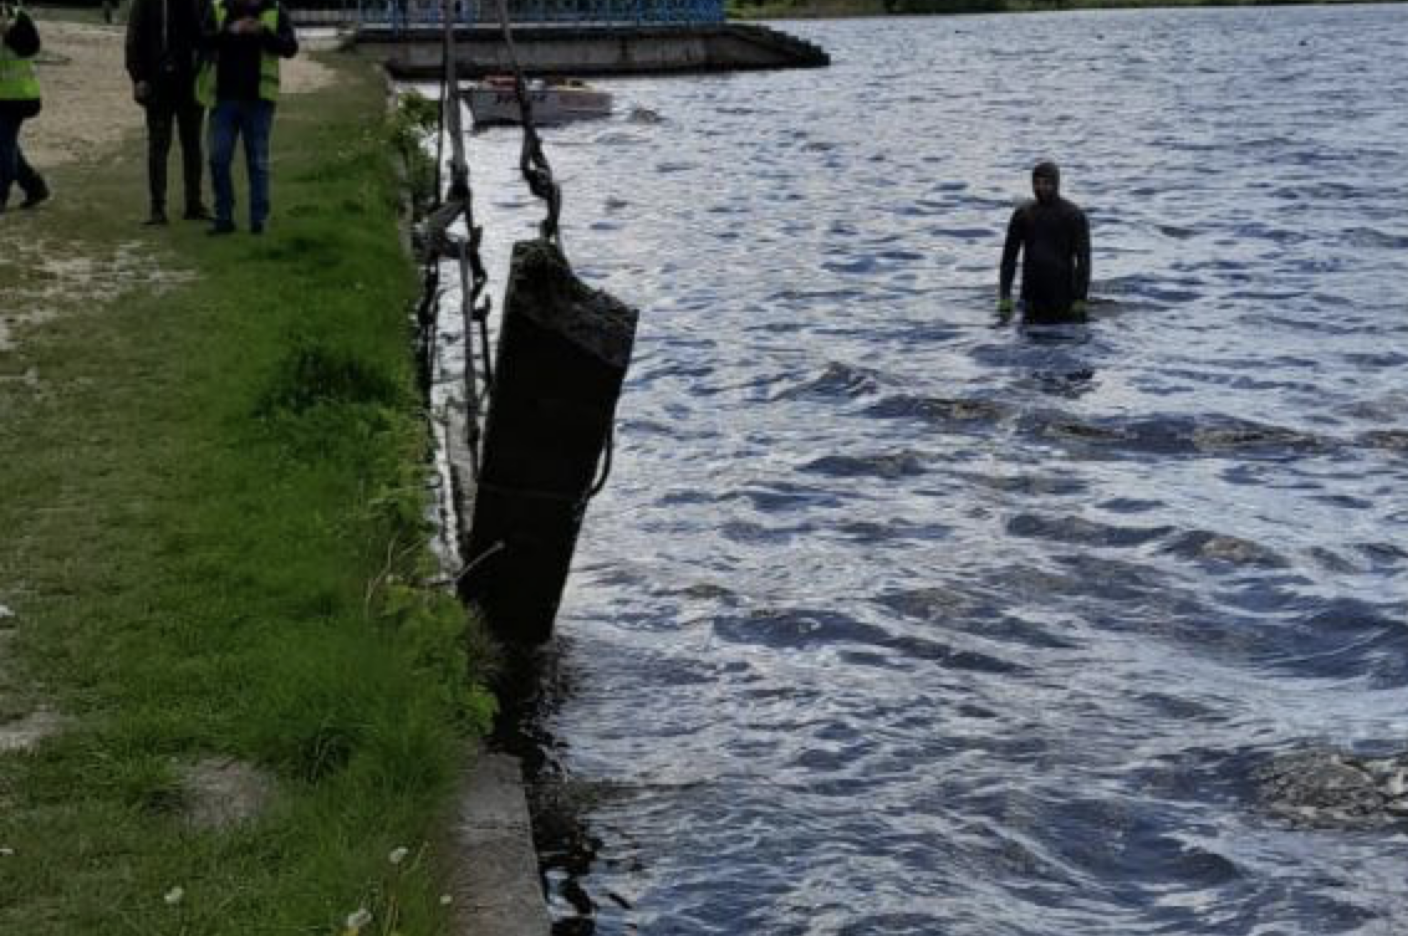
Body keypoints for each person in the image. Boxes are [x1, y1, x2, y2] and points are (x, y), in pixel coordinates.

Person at [197, 0, 296, 235]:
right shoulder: (218, 8)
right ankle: (224, 218)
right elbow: (201, 41)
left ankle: (259, 221)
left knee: (258, 162)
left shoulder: (275, 10)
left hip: (259, 100)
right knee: (218, 159)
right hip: (223, 99)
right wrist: (229, 31)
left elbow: (290, 48)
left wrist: (263, 32)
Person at [126, 0, 209, 225]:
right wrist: (138, 77)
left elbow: (205, 38)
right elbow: (134, 39)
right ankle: (157, 208)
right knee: (159, 146)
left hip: (190, 84)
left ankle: (194, 203)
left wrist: (203, 72)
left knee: (192, 145)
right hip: (158, 83)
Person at [998, 161, 1090, 323]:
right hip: (1030, 298)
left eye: (1046, 183)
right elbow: (1009, 258)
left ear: (1056, 184)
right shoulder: (1023, 214)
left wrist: (1080, 299)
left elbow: (1083, 261)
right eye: (1037, 183)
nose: (1040, 188)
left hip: (1063, 299)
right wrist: (1005, 296)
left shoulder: (1074, 215)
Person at [0, 1, 49, 214]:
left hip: (17, 97)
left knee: (3, 145)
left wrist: (8, 33)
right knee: (6, 144)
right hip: (8, 96)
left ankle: (1, 194)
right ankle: (34, 186)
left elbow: (32, 48)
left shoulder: (18, 18)